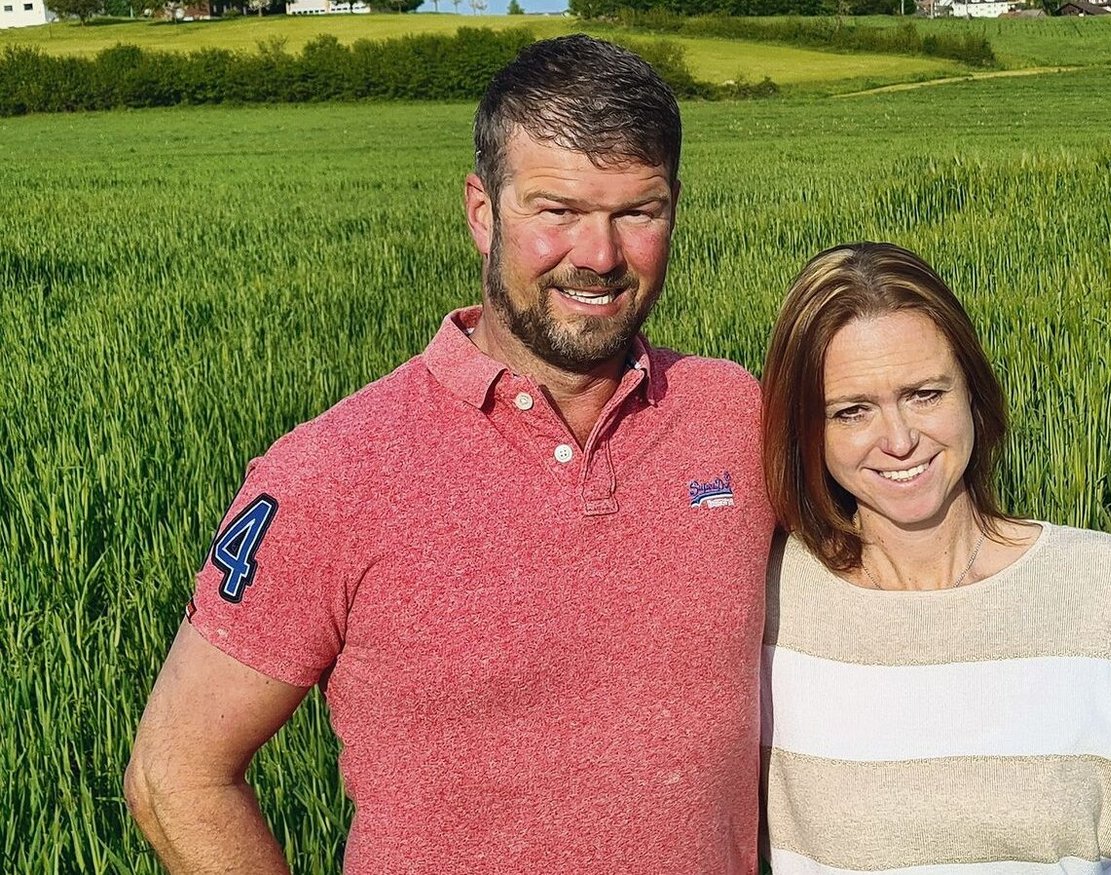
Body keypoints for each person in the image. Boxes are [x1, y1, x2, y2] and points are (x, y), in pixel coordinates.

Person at [124, 36, 774, 874]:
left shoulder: (734, 413)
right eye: (557, 210)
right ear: (481, 209)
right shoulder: (330, 473)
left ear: (674, 208)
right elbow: (175, 773)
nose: (600, 256)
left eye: (635, 213)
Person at [759, 243, 1111, 874]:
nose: (901, 440)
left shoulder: (1109, 591)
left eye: (925, 394)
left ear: (972, 391)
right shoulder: (766, 605)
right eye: (852, 411)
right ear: (806, 430)